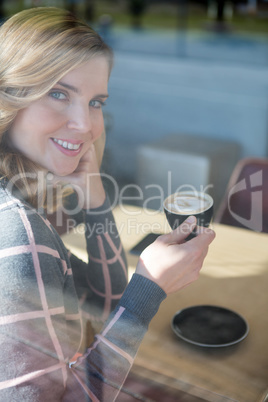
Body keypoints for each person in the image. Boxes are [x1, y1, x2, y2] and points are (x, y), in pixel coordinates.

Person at [0, 7, 215, 401]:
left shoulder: (17, 203)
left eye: (96, 102)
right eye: (58, 93)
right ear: (8, 97)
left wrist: (94, 198)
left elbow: (103, 302)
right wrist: (149, 289)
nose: (86, 125)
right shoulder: (19, 233)